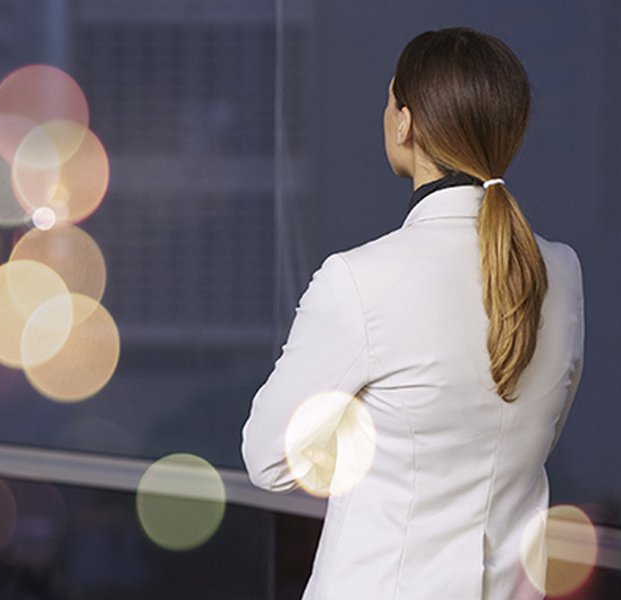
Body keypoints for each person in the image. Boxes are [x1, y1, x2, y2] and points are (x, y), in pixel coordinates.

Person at [240, 27, 584, 599]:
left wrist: (373, 424)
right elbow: (533, 434)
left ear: (406, 122)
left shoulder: (358, 280)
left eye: (389, 100)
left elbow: (268, 460)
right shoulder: (563, 273)